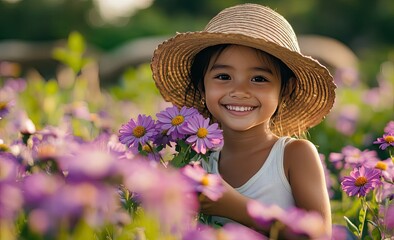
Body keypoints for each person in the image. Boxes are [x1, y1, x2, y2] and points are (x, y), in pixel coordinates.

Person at [151, 3, 336, 238]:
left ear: (285, 90)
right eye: (223, 76)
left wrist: (241, 209)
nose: (239, 91)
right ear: (202, 86)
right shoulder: (196, 158)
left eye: (259, 78)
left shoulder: (293, 155)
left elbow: (319, 235)